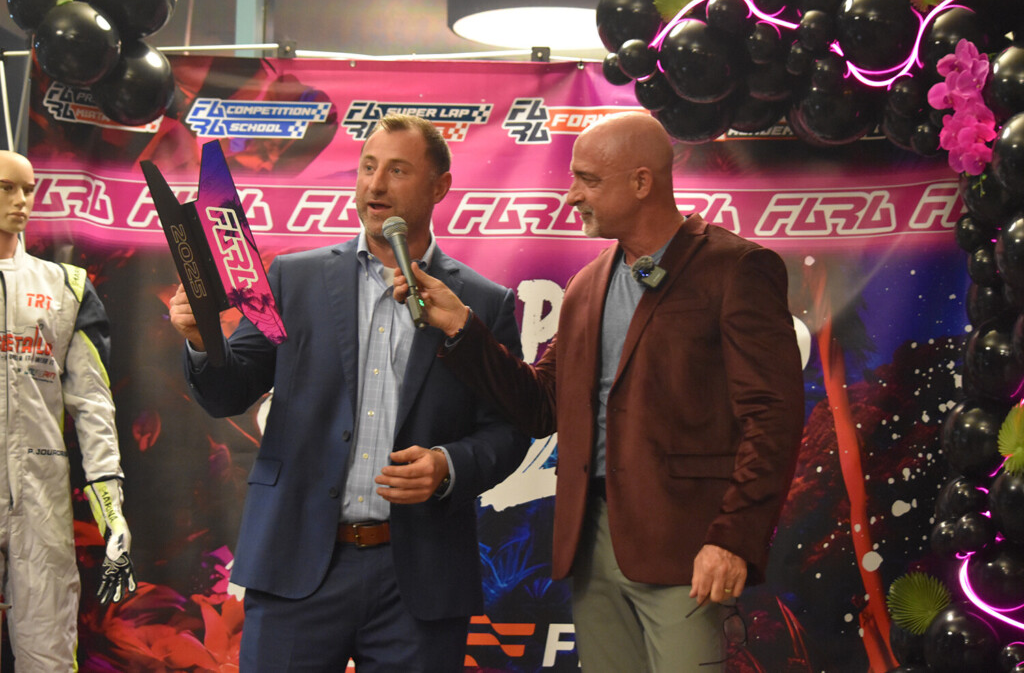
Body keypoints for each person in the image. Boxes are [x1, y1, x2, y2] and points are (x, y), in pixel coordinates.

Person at [394, 112, 805, 672]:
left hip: (685, 548)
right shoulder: (587, 284)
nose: (571, 196)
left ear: (641, 182)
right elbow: (541, 405)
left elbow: (773, 419)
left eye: (587, 180)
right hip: (590, 545)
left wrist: (733, 538)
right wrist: (461, 326)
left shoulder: (736, 269)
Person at [168, 114, 530, 671]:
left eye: (397, 170)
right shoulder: (293, 278)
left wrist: (448, 465)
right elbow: (228, 392)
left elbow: (510, 428)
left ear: (440, 187)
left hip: (420, 578)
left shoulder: (483, 303)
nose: (375, 185)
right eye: (367, 167)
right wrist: (202, 342)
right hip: (295, 566)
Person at [0, 150, 136, 672]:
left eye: (28, 189)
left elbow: (94, 406)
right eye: (6, 188)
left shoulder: (66, 287)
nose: (21, 201)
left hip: (40, 498)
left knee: (50, 655)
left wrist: (112, 513)